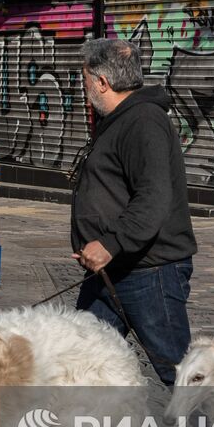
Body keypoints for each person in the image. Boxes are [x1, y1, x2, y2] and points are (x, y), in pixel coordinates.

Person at [70, 38, 196, 386]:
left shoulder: (144, 122)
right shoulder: (120, 119)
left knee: (183, 378)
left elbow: (153, 198)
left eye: (84, 80)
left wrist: (111, 243)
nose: (84, 90)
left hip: (148, 273)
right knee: (80, 366)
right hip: (111, 272)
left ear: (102, 82)